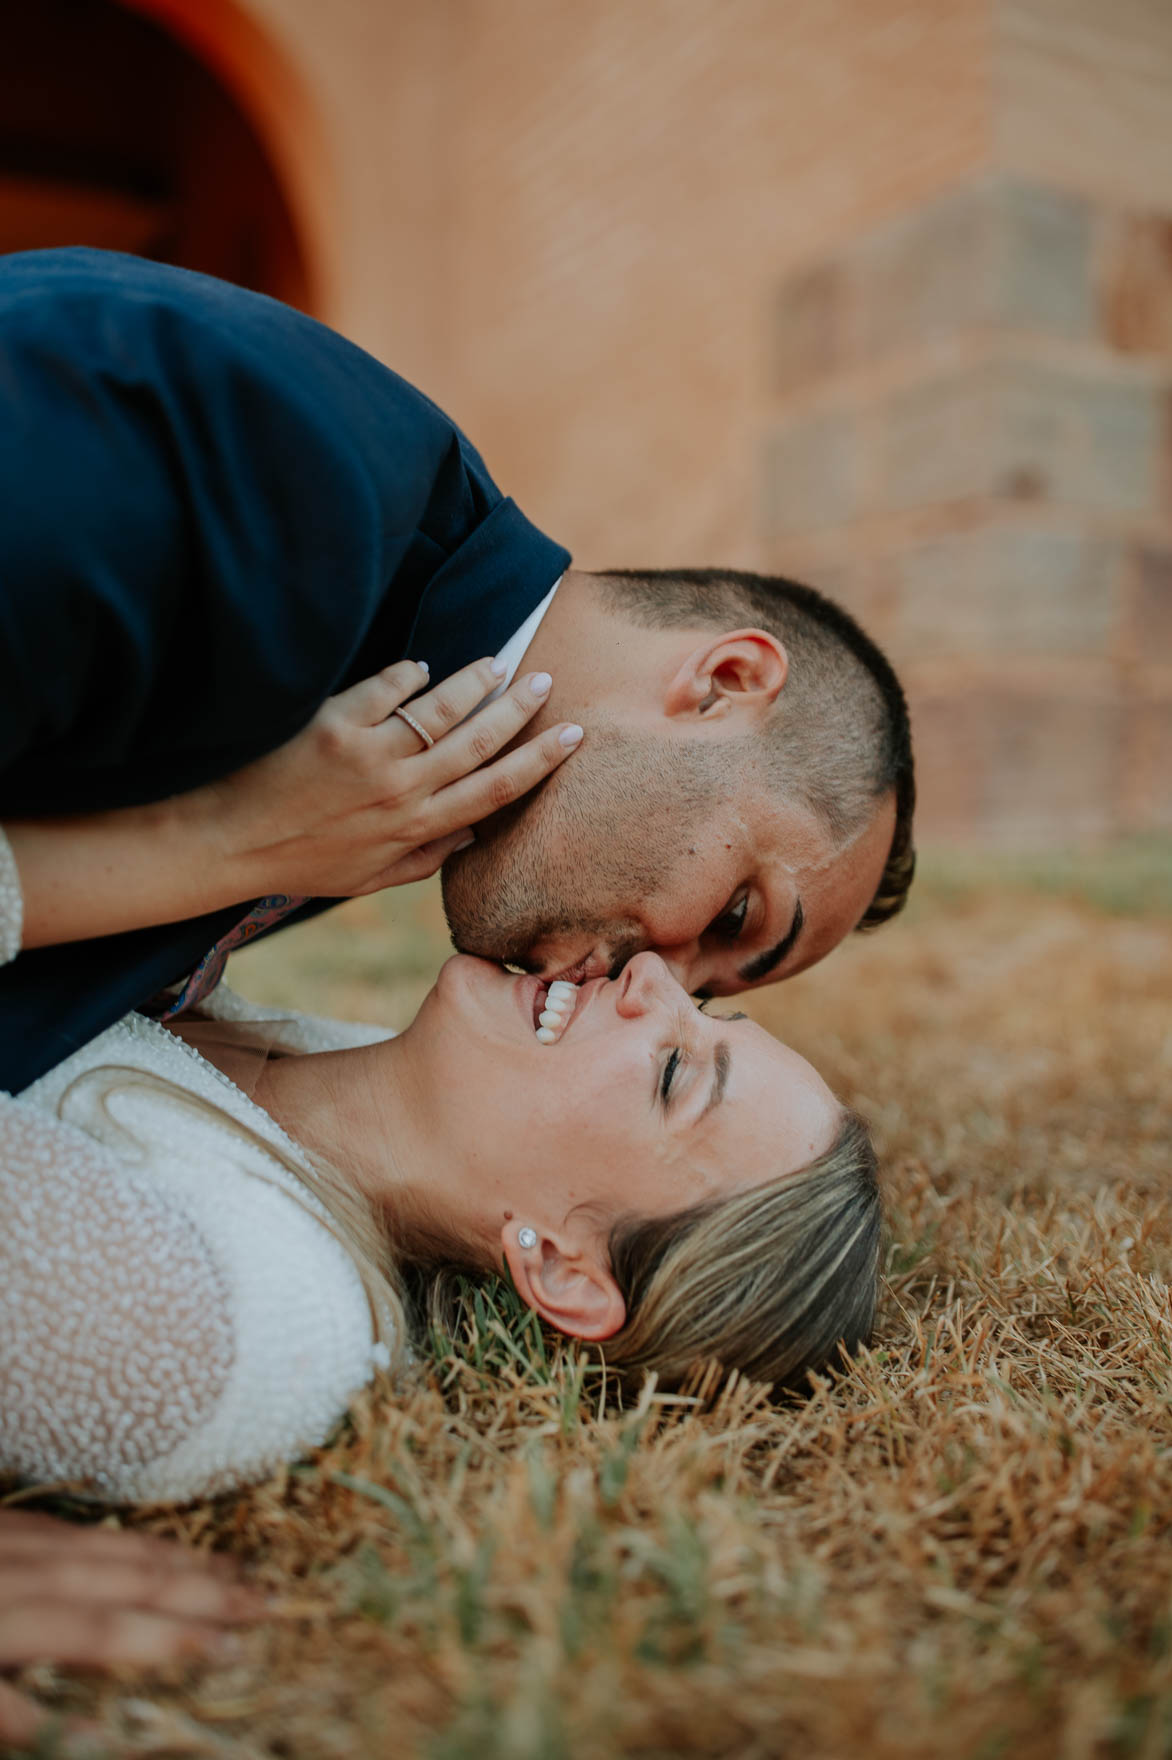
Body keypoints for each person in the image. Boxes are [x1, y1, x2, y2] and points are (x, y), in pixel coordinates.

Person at [0, 247, 915, 1097]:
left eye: (704, 995)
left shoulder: (385, 774)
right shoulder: (265, 483)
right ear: (724, 681)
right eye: (731, 919)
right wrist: (229, 842)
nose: (656, 991)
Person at [1, 949, 881, 1505]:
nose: (651, 973)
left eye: (673, 1072)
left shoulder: (240, 1324)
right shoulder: (337, 1054)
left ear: (568, 1273)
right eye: (705, 1009)